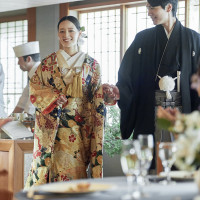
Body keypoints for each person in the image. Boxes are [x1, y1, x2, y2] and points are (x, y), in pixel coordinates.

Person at [25, 16, 108, 188]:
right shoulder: (47, 64)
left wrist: (106, 95)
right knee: (50, 173)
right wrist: (53, 97)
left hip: (79, 133)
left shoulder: (92, 65)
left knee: (76, 175)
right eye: (62, 31)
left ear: (79, 33)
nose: (66, 35)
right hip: (52, 132)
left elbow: (97, 97)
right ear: (57, 34)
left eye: (71, 30)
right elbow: (35, 87)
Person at [103, 0, 200, 144]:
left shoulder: (193, 39)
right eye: (147, 8)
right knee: (150, 158)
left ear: (168, 7)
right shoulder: (142, 38)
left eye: (152, 8)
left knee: (178, 159)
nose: (149, 12)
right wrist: (121, 91)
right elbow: (128, 73)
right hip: (149, 109)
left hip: (182, 110)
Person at [12, 41, 40, 115]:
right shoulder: (32, 74)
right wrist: (10, 118)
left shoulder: (40, 73)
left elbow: (31, 106)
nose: (18, 63)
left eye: (19, 59)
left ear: (28, 59)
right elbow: (23, 99)